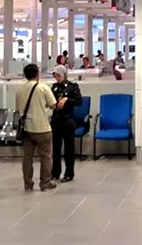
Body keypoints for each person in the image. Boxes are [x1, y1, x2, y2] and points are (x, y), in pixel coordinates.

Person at [16, 64, 58, 192]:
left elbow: (19, 109)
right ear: (37, 74)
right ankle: (45, 183)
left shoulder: (20, 89)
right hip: (42, 128)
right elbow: (53, 105)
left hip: (27, 129)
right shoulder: (42, 88)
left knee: (27, 158)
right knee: (46, 156)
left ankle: (28, 184)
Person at [50, 65, 82, 183]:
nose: (57, 78)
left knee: (69, 149)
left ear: (64, 75)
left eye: (58, 75)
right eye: (55, 76)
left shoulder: (72, 87)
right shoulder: (54, 88)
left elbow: (79, 101)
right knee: (56, 149)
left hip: (68, 121)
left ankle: (69, 173)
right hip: (56, 120)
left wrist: (67, 100)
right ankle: (55, 172)